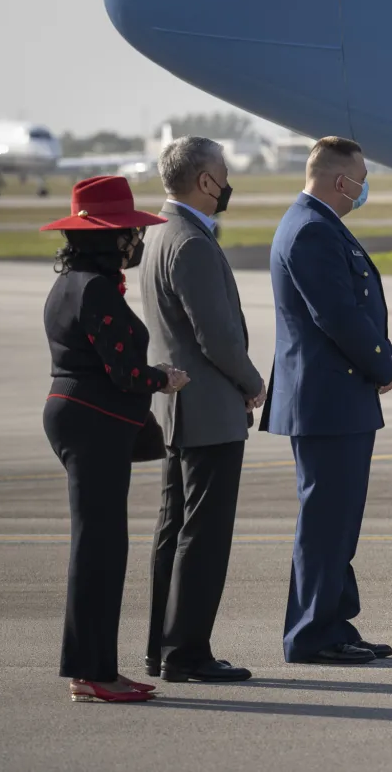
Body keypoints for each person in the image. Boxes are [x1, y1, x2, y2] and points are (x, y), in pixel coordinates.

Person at [40, 176, 190, 702]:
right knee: (100, 550)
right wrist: (164, 378)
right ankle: (94, 673)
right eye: (128, 232)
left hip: (76, 414)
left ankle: (92, 668)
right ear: (109, 238)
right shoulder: (96, 288)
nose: (135, 242)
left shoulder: (69, 283)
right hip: (92, 421)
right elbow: (125, 373)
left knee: (96, 545)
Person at [260, 137, 392, 664]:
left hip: (337, 397)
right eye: (361, 176)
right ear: (340, 181)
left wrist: (382, 356)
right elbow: (336, 315)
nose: (365, 185)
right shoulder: (312, 230)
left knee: (338, 521)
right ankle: (311, 634)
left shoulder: (316, 225)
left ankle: (334, 624)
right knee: (325, 522)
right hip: (327, 399)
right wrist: (381, 361)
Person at [139, 137, 265, 683]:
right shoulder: (190, 240)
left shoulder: (159, 233)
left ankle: (162, 648)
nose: (228, 180)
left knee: (174, 530)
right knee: (203, 536)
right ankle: (187, 653)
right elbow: (215, 335)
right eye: (224, 172)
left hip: (178, 408)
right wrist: (251, 381)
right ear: (206, 181)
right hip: (209, 409)